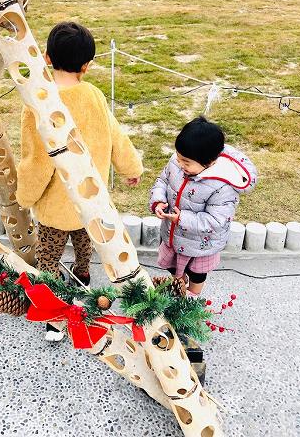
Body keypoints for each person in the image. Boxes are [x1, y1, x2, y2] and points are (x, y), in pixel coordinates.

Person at [17, 21, 143, 340]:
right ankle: (83, 285)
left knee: (49, 259)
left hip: (54, 207)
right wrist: (131, 168)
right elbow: (115, 135)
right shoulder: (95, 96)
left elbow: (36, 159)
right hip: (91, 202)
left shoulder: (38, 103)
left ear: (46, 57)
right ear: (86, 65)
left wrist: (25, 195)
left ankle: (55, 317)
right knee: (85, 249)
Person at [149, 116, 257, 297]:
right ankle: (178, 288)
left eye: (186, 162)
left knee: (197, 274)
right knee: (173, 267)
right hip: (172, 234)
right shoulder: (178, 162)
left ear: (209, 162)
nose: (180, 163)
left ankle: (192, 302)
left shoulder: (222, 186)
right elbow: (162, 180)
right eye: (178, 157)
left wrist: (182, 218)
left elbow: (216, 220)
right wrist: (159, 201)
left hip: (200, 244)